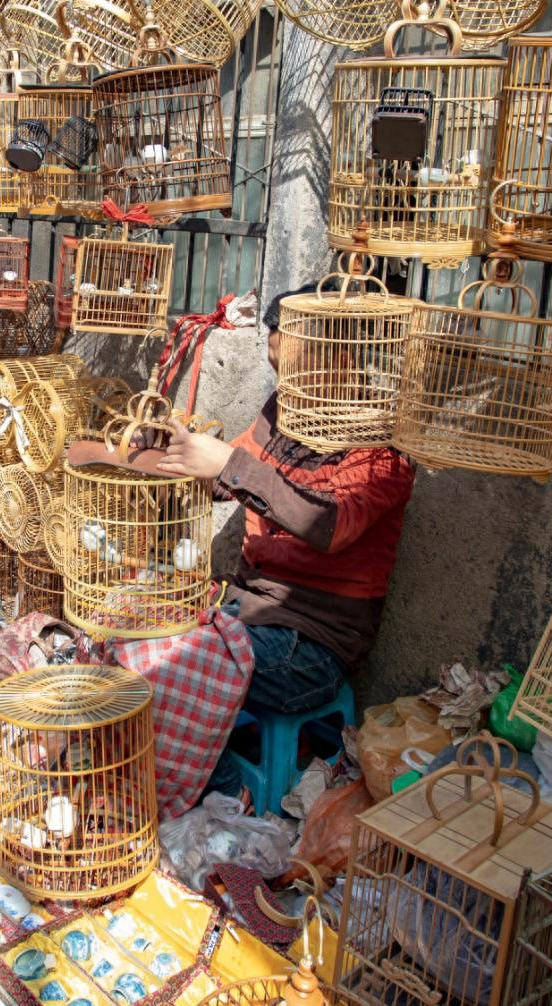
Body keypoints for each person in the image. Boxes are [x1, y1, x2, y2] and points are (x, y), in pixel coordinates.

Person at [158, 285, 417, 786]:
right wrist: (175, 453)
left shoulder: (384, 443)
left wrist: (231, 466)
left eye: (294, 369)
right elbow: (226, 479)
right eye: (278, 368)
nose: (286, 383)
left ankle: (228, 801)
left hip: (313, 645)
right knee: (137, 627)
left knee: (174, 668)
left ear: (339, 357)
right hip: (248, 610)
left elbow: (330, 525)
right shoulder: (285, 410)